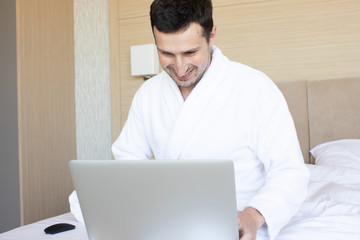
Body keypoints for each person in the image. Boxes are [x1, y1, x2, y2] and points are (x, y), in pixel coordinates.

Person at [111, 0, 310, 239]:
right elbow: (127, 162)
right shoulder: (148, 94)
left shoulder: (255, 88)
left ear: (212, 34)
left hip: (236, 226)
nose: (180, 67)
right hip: (166, 223)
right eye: (166, 54)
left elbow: (290, 171)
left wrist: (253, 215)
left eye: (190, 52)